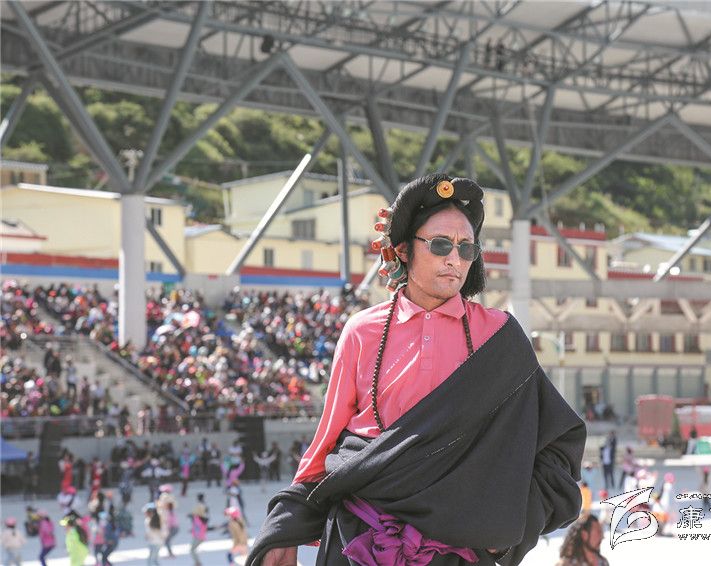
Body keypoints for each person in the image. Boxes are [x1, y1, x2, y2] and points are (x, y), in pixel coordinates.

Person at [248, 174, 586, 566]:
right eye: (441, 244)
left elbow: (559, 444)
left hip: (457, 553)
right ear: (404, 250)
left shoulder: (499, 335)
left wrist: (511, 529)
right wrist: (284, 528)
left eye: (466, 248)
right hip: (358, 541)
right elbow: (328, 442)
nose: (454, 259)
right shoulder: (361, 330)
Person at [189, 495, 209, 566]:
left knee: (192, 550)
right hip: (198, 536)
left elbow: (200, 527)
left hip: (199, 537)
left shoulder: (199, 519)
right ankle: (197, 563)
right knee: (192, 550)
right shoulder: (199, 519)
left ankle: (198, 563)